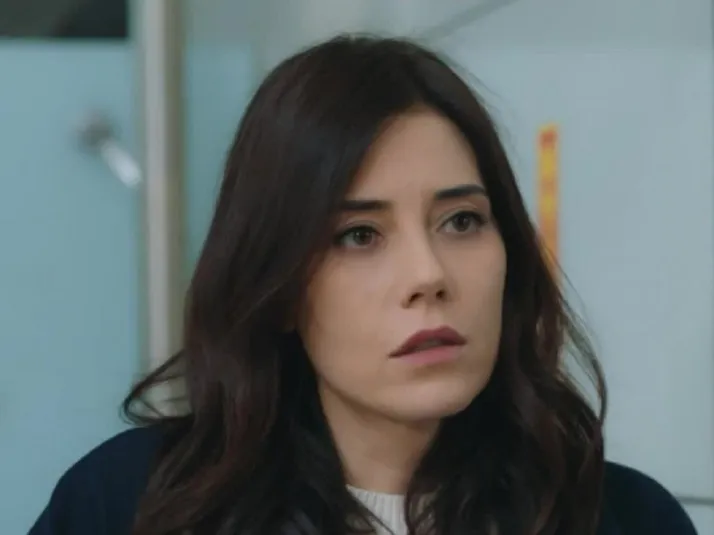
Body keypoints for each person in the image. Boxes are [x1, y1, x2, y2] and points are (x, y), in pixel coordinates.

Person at [29, 35, 696, 535]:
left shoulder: (623, 516)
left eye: (462, 220)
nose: (428, 275)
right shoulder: (130, 503)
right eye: (358, 235)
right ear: (278, 287)